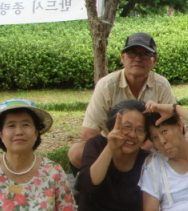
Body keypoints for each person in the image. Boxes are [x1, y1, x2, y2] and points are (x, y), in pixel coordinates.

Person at [68, 33, 176, 169]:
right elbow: (89, 133)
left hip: (147, 146)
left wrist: (139, 149)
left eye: (145, 54)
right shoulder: (106, 85)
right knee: (77, 152)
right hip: (112, 146)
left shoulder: (162, 85)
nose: (138, 59)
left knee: (175, 147)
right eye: (132, 53)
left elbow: (172, 126)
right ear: (122, 57)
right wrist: (116, 150)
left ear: (154, 60)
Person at [71, 100, 152, 211]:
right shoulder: (96, 145)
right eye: (126, 127)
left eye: (140, 130)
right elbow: (88, 185)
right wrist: (110, 148)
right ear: (112, 126)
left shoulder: (146, 161)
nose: (132, 135)